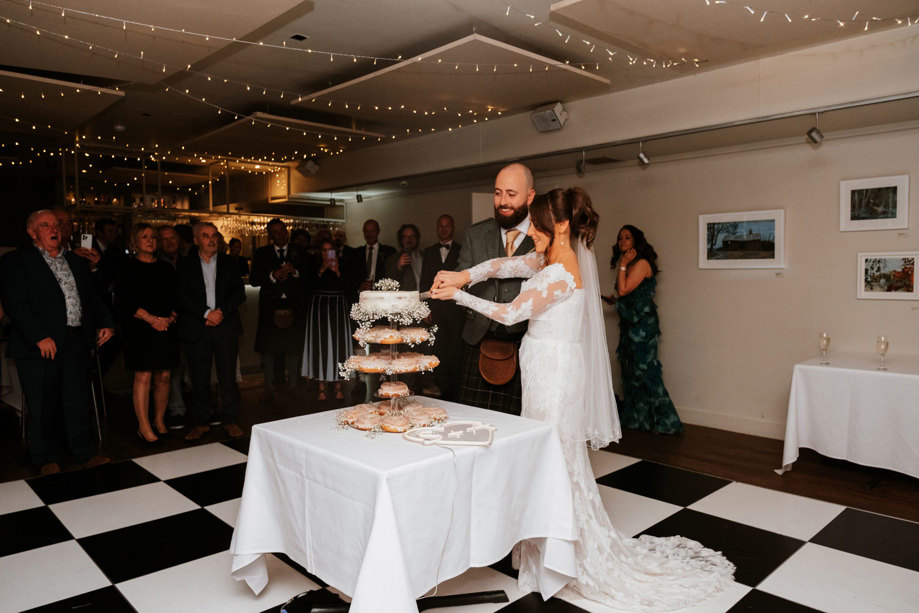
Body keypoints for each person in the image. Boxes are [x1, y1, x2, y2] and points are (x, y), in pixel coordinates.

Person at [431, 188, 733, 609]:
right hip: (542, 367)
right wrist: (465, 275)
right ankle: (542, 551)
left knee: (556, 459)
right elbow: (505, 263)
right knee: (547, 458)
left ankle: (564, 557)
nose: (529, 233)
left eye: (535, 225)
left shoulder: (561, 272)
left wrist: (458, 296)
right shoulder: (547, 259)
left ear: (559, 225)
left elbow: (512, 312)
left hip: (555, 374)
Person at [0, 210, 115, 474]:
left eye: (56, 225)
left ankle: (84, 454)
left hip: (76, 340)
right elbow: (14, 303)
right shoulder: (16, 260)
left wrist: (106, 322)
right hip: (39, 345)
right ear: (32, 232)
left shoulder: (74, 260)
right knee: (42, 403)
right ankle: (44, 458)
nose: (54, 229)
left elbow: (92, 298)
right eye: (46, 225)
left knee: (78, 399)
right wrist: (39, 336)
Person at [452, 162, 535, 415]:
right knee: (472, 422)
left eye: (511, 194)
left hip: (523, 344)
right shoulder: (476, 234)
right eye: (498, 193)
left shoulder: (544, 237)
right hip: (478, 341)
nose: (502, 201)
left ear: (530, 197)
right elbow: (461, 280)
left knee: (517, 427)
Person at [176, 222, 246, 441]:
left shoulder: (230, 263)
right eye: (205, 236)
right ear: (197, 240)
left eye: (214, 235)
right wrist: (206, 314)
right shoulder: (185, 264)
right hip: (198, 327)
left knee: (227, 378)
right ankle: (201, 422)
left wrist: (220, 312)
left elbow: (239, 293)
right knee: (199, 378)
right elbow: (181, 296)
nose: (211, 239)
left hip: (225, 325)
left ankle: (231, 420)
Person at [609, 225, 683, 434]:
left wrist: (622, 266)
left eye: (627, 237)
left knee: (645, 370)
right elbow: (627, 294)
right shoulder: (629, 264)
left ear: (636, 242)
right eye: (620, 237)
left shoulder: (640, 263)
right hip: (629, 322)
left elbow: (624, 289)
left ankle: (666, 422)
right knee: (630, 371)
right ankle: (638, 419)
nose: (622, 241)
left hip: (642, 325)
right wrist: (614, 298)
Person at [114, 223, 179, 443]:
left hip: (165, 326)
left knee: (164, 375)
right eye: (144, 236)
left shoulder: (166, 267)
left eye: (153, 236)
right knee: (143, 376)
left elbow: (175, 297)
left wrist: (169, 317)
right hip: (140, 328)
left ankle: (159, 421)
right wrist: (152, 319)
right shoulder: (126, 267)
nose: (150, 240)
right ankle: (143, 426)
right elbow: (124, 302)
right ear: (134, 242)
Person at [249, 219, 308, 404]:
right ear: (270, 235)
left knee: (293, 350)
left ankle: (293, 388)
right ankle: (268, 388)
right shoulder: (262, 253)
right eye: (275, 232)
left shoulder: (299, 252)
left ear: (286, 231)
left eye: (282, 230)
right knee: (268, 351)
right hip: (270, 308)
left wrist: (295, 272)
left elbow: (311, 276)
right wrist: (272, 275)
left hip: (294, 308)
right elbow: (254, 280)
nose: (280, 234)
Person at [301, 238, 352, 400]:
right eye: (324, 250)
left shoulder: (343, 264)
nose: (327, 253)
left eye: (330, 250)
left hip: (338, 307)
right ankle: (321, 387)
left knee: (339, 345)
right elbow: (307, 286)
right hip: (319, 308)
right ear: (319, 252)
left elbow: (350, 288)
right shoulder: (313, 264)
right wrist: (322, 269)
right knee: (319, 345)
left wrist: (337, 271)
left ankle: (338, 386)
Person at [419, 214, 463, 399]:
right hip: (435, 310)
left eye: (447, 225)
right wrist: (424, 309)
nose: (444, 229)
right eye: (441, 226)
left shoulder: (462, 250)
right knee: (438, 350)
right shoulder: (428, 252)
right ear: (437, 228)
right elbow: (424, 282)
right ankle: (442, 389)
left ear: (452, 228)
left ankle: (457, 391)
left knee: (456, 349)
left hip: (455, 311)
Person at [157, 224, 187, 429]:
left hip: (190, 321)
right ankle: (175, 409)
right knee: (171, 369)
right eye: (164, 239)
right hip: (166, 322)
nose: (169, 242)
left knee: (190, 365)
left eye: (172, 238)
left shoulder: (187, 262)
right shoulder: (157, 263)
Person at [385, 223, 422, 290]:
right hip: (404, 299)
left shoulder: (424, 256)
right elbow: (387, 283)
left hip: (424, 298)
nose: (409, 239)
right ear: (401, 240)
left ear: (417, 238)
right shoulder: (393, 259)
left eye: (412, 236)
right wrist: (398, 266)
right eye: (405, 236)